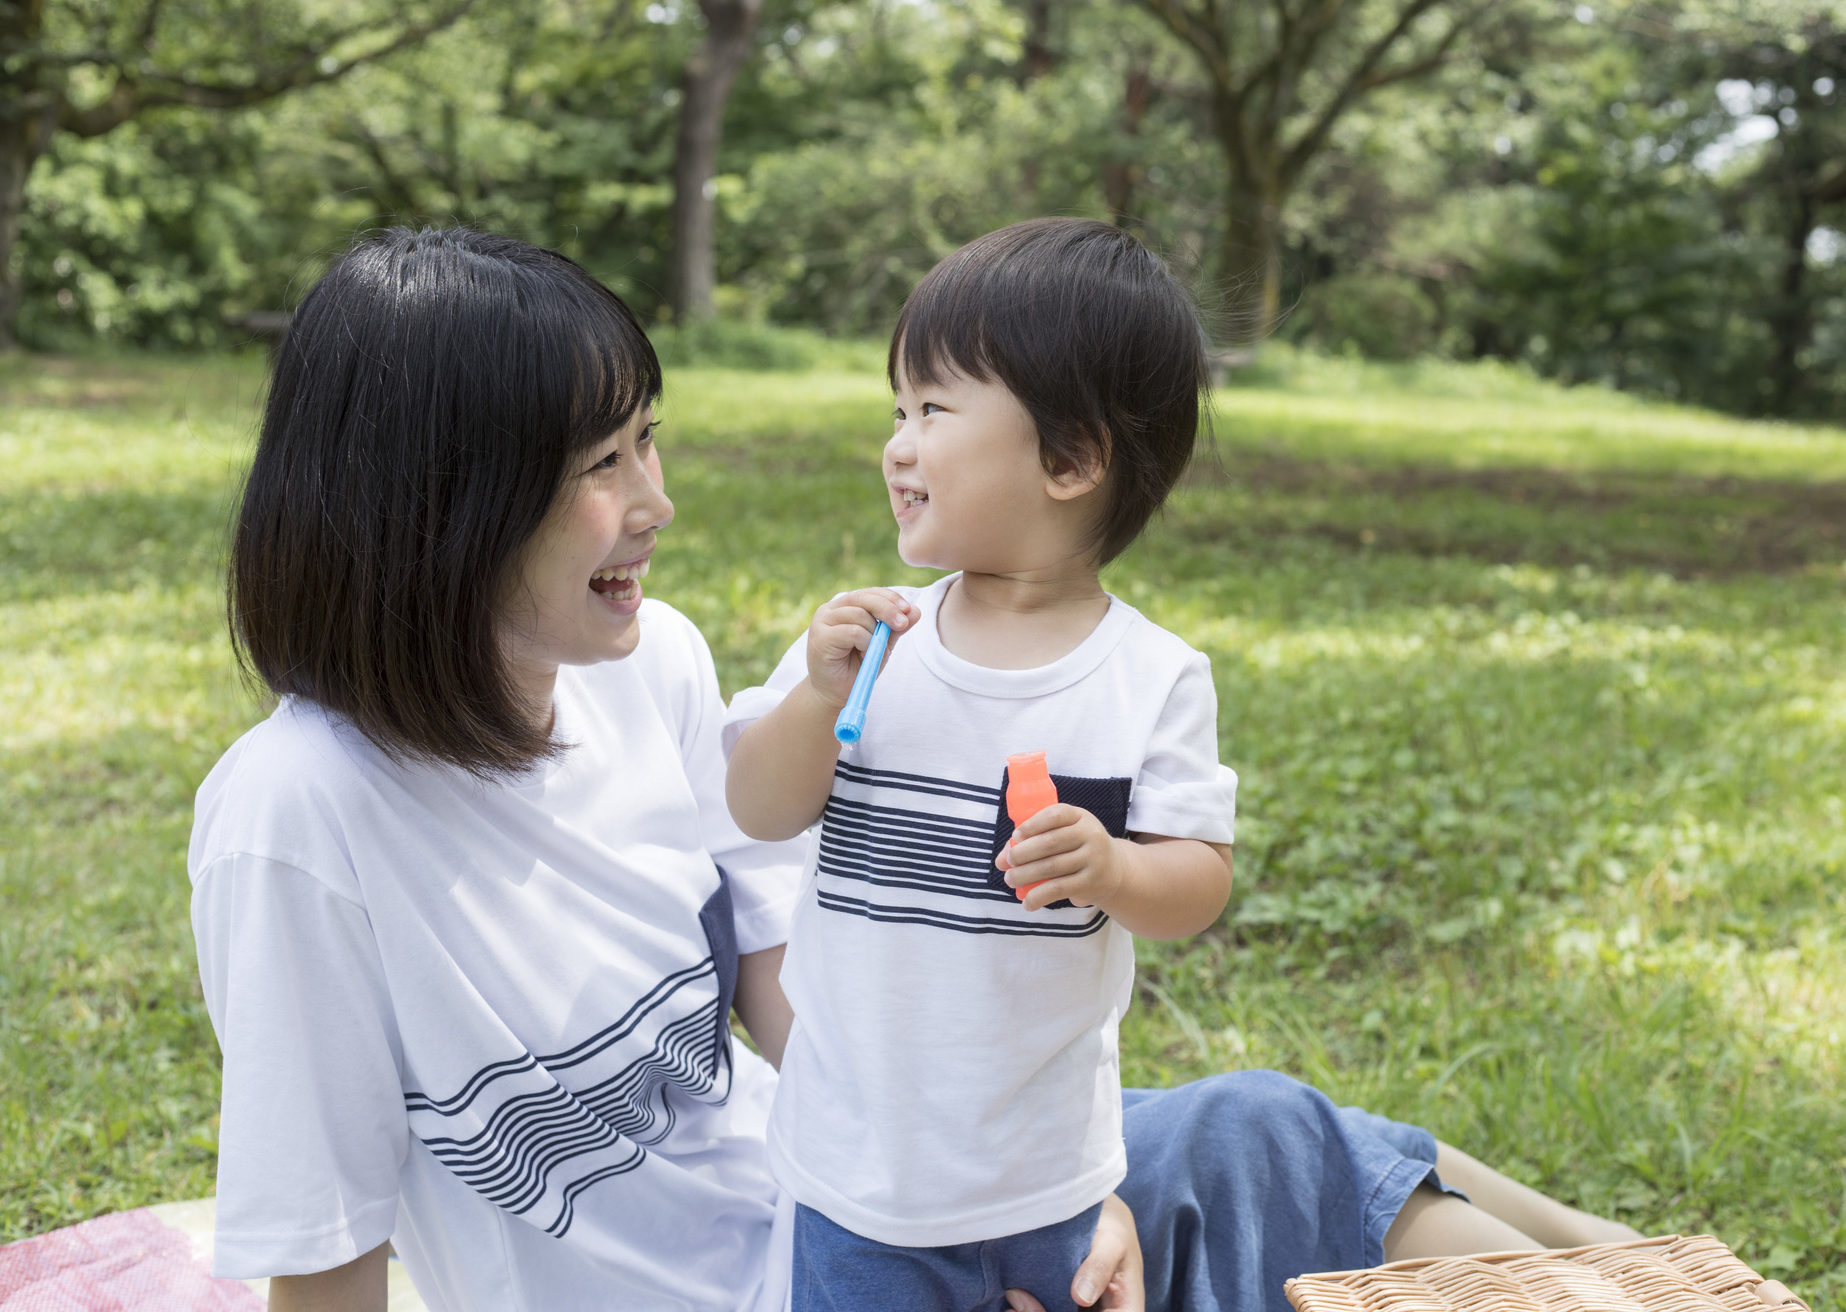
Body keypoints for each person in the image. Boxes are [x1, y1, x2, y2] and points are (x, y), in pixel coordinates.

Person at [188, 225, 1634, 1312]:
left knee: (1261, 1131)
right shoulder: (298, 817)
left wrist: (1024, 1201)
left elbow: (785, 993)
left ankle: (1658, 1275)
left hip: (852, 1199)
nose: (659, 503)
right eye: (604, 464)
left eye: (651, 443)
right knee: (1261, 1145)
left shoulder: (650, 668)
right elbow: (321, 1246)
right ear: (438, 500)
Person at [720, 218, 1238, 1312]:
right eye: (896, 409)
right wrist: (812, 700)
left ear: (1069, 457)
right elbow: (758, 808)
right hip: (855, 1173)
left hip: (1043, 1175)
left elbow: (1196, 881)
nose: (897, 444)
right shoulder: (873, 645)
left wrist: (1112, 870)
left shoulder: (1148, 676)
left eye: (933, 409)